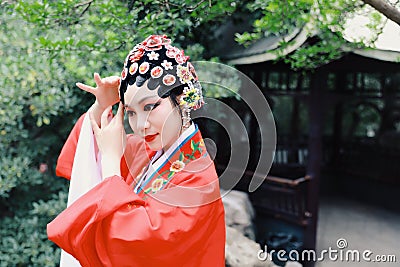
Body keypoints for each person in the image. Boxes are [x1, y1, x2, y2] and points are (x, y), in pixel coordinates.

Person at [47, 34, 226, 267]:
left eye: (150, 107)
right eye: (131, 112)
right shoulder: (147, 149)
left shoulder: (198, 180)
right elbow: (87, 148)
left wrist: (112, 161)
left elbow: (134, 245)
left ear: (182, 98)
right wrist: (102, 105)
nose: (141, 124)